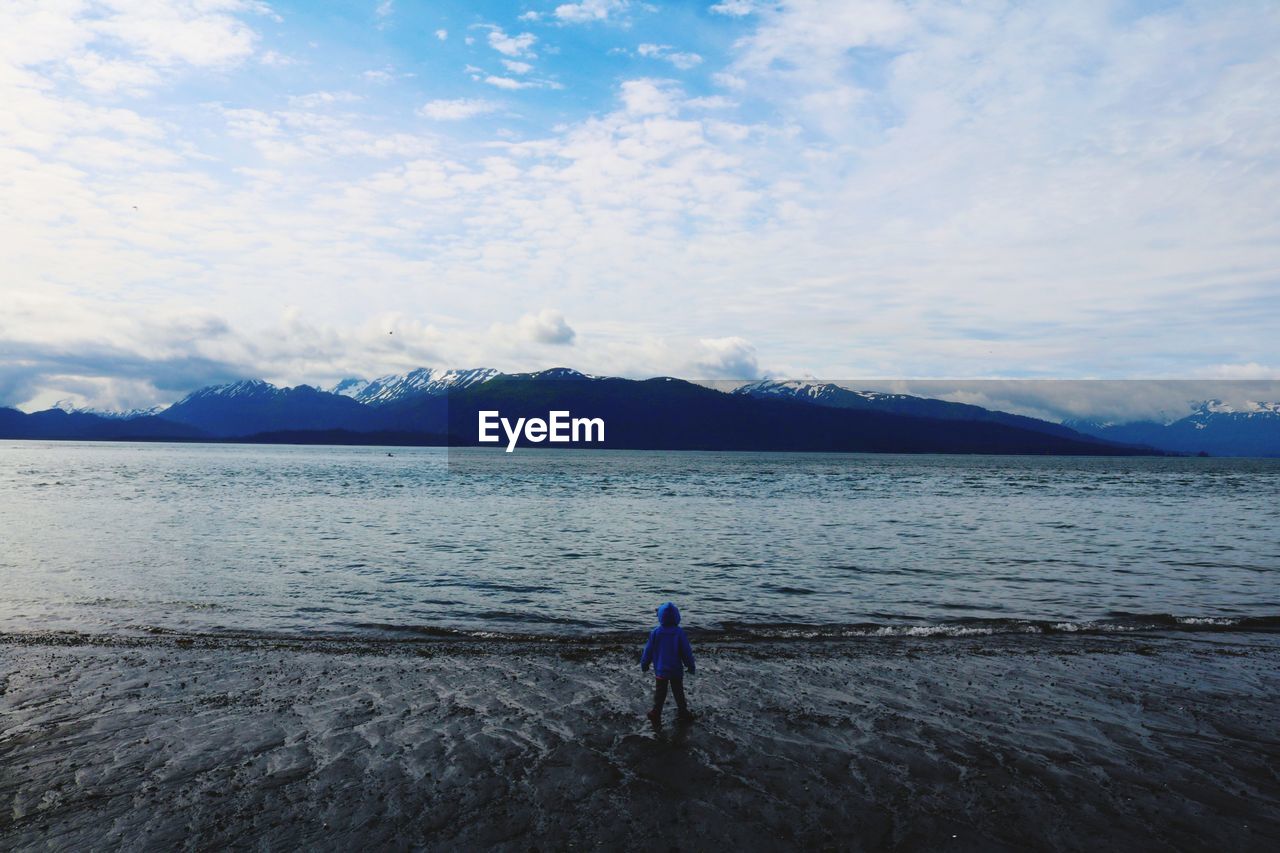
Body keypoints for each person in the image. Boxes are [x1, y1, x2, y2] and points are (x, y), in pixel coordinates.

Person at [640, 601, 696, 725]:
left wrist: (644, 664)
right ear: (677, 616)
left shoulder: (655, 632)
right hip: (676, 670)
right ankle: (683, 711)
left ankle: (656, 711)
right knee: (678, 692)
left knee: (660, 693)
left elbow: (647, 651)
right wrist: (690, 666)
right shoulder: (679, 632)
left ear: (660, 616)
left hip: (661, 670)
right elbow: (686, 652)